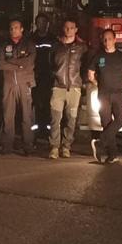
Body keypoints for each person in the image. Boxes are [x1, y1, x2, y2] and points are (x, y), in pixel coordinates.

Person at [89, 28, 122, 164]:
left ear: (115, 40)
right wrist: (99, 83)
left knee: (121, 119)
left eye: (109, 39)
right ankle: (112, 155)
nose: (107, 42)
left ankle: (100, 142)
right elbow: (90, 74)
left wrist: (121, 83)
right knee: (107, 123)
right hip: (103, 94)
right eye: (104, 39)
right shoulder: (98, 56)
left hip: (118, 93)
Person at [48, 18, 88, 159]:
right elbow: (50, 64)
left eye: (72, 28)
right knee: (55, 119)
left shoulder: (82, 47)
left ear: (76, 29)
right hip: (58, 87)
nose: (69, 30)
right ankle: (54, 147)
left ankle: (66, 146)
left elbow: (85, 66)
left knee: (71, 119)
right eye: (66, 27)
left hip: (74, 88)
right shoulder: (56, 46)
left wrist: (81, 82)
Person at [0, 18, 36, 156]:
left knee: (27, 115)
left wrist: (12, 62)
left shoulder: (29, 44)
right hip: (8, 84)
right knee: (8, 115)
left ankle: (28, 145)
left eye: (16, 27)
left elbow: (29, 62)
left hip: (25, 83)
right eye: (11, 28)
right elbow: (0, 64)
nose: (13, 30)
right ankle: (7, 145)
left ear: (21, 29)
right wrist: (19, 64)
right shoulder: (4, 45)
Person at [30, 13, 56, 142]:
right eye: (39, 22)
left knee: (47, 104)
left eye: (44, 22)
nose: (42, 25)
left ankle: (46, 132)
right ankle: (35, 133)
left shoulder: (53, 39)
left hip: (49, 77)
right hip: (35, 76)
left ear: (48, 24)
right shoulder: (31, 39)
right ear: (36, 24)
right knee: (35, 104)